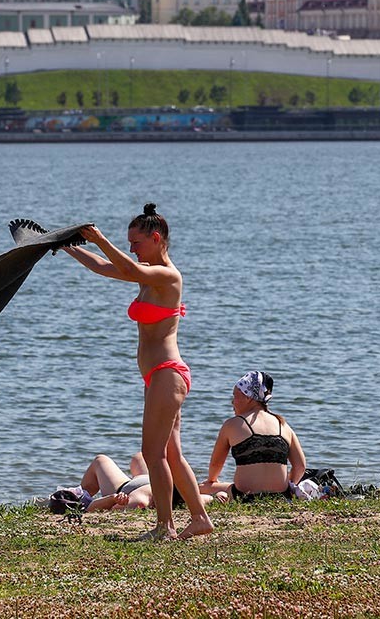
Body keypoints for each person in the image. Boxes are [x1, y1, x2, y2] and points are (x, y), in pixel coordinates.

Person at [62, 203, 214, 540]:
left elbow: (126, 266)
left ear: (156, 238)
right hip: (157, 376)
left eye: (136, 242)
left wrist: (99, 238)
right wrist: (67, 247)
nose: (132, 249)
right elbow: (104, 266)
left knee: (153, 453)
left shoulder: (167, 276)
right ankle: (200, 519)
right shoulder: (144, 273)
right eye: (128, 243)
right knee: (171, 452)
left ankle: (165, 526)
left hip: (167, 372)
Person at [201, 371, 307, 502]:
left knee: (202, 487)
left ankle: (213, 499)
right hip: (281, 497)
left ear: (248, 397)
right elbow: (300, 466)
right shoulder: (283, 425)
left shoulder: (232, 424)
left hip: (244, 496)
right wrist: (289, 487)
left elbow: (216, 464)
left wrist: (212, 481)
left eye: (235, 396)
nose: (232, 402)